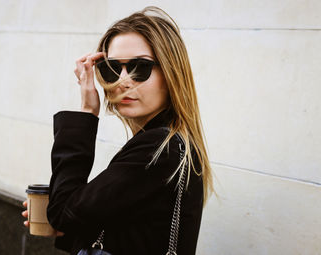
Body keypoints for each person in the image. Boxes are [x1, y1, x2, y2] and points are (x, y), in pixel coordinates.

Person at [22, 6, 214, 255]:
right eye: (112, 68)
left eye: (140, 68)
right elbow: (131, 234)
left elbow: (63, 213)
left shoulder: (158, 149)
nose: (123, 80)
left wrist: (87, 112)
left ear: (170, 74)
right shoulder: (166, 144)